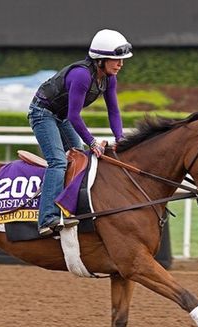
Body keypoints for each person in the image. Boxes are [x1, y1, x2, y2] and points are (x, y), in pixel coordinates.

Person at [28, 29, 133, 236]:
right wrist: (92, 142)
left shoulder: (109, 79)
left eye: (121, 60)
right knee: (58, 161)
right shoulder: (82, 75)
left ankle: (70, 208)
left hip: (62, 116)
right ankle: (47, 218)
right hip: (43, 113)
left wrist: (119, 138)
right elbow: (74, 116)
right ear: (100, 60)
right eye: (116, 59)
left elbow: (113, 110)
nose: (120, 64)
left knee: (79, 158)